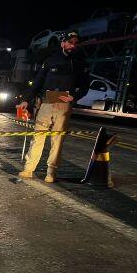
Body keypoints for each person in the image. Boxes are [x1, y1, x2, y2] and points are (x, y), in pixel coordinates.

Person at [16, 31, 90, 183]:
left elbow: (84, 86)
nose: (72, 45)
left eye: (75, 43)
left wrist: (74, 97)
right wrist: (26, 100)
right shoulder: (50, 61)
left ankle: (51, 172)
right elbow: (38, 82)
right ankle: (29, 169)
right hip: (46, 104)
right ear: (63, 43)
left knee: (57, 140)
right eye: (70, 42)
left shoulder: (79, 63)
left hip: (63, 107)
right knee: (38, 138)